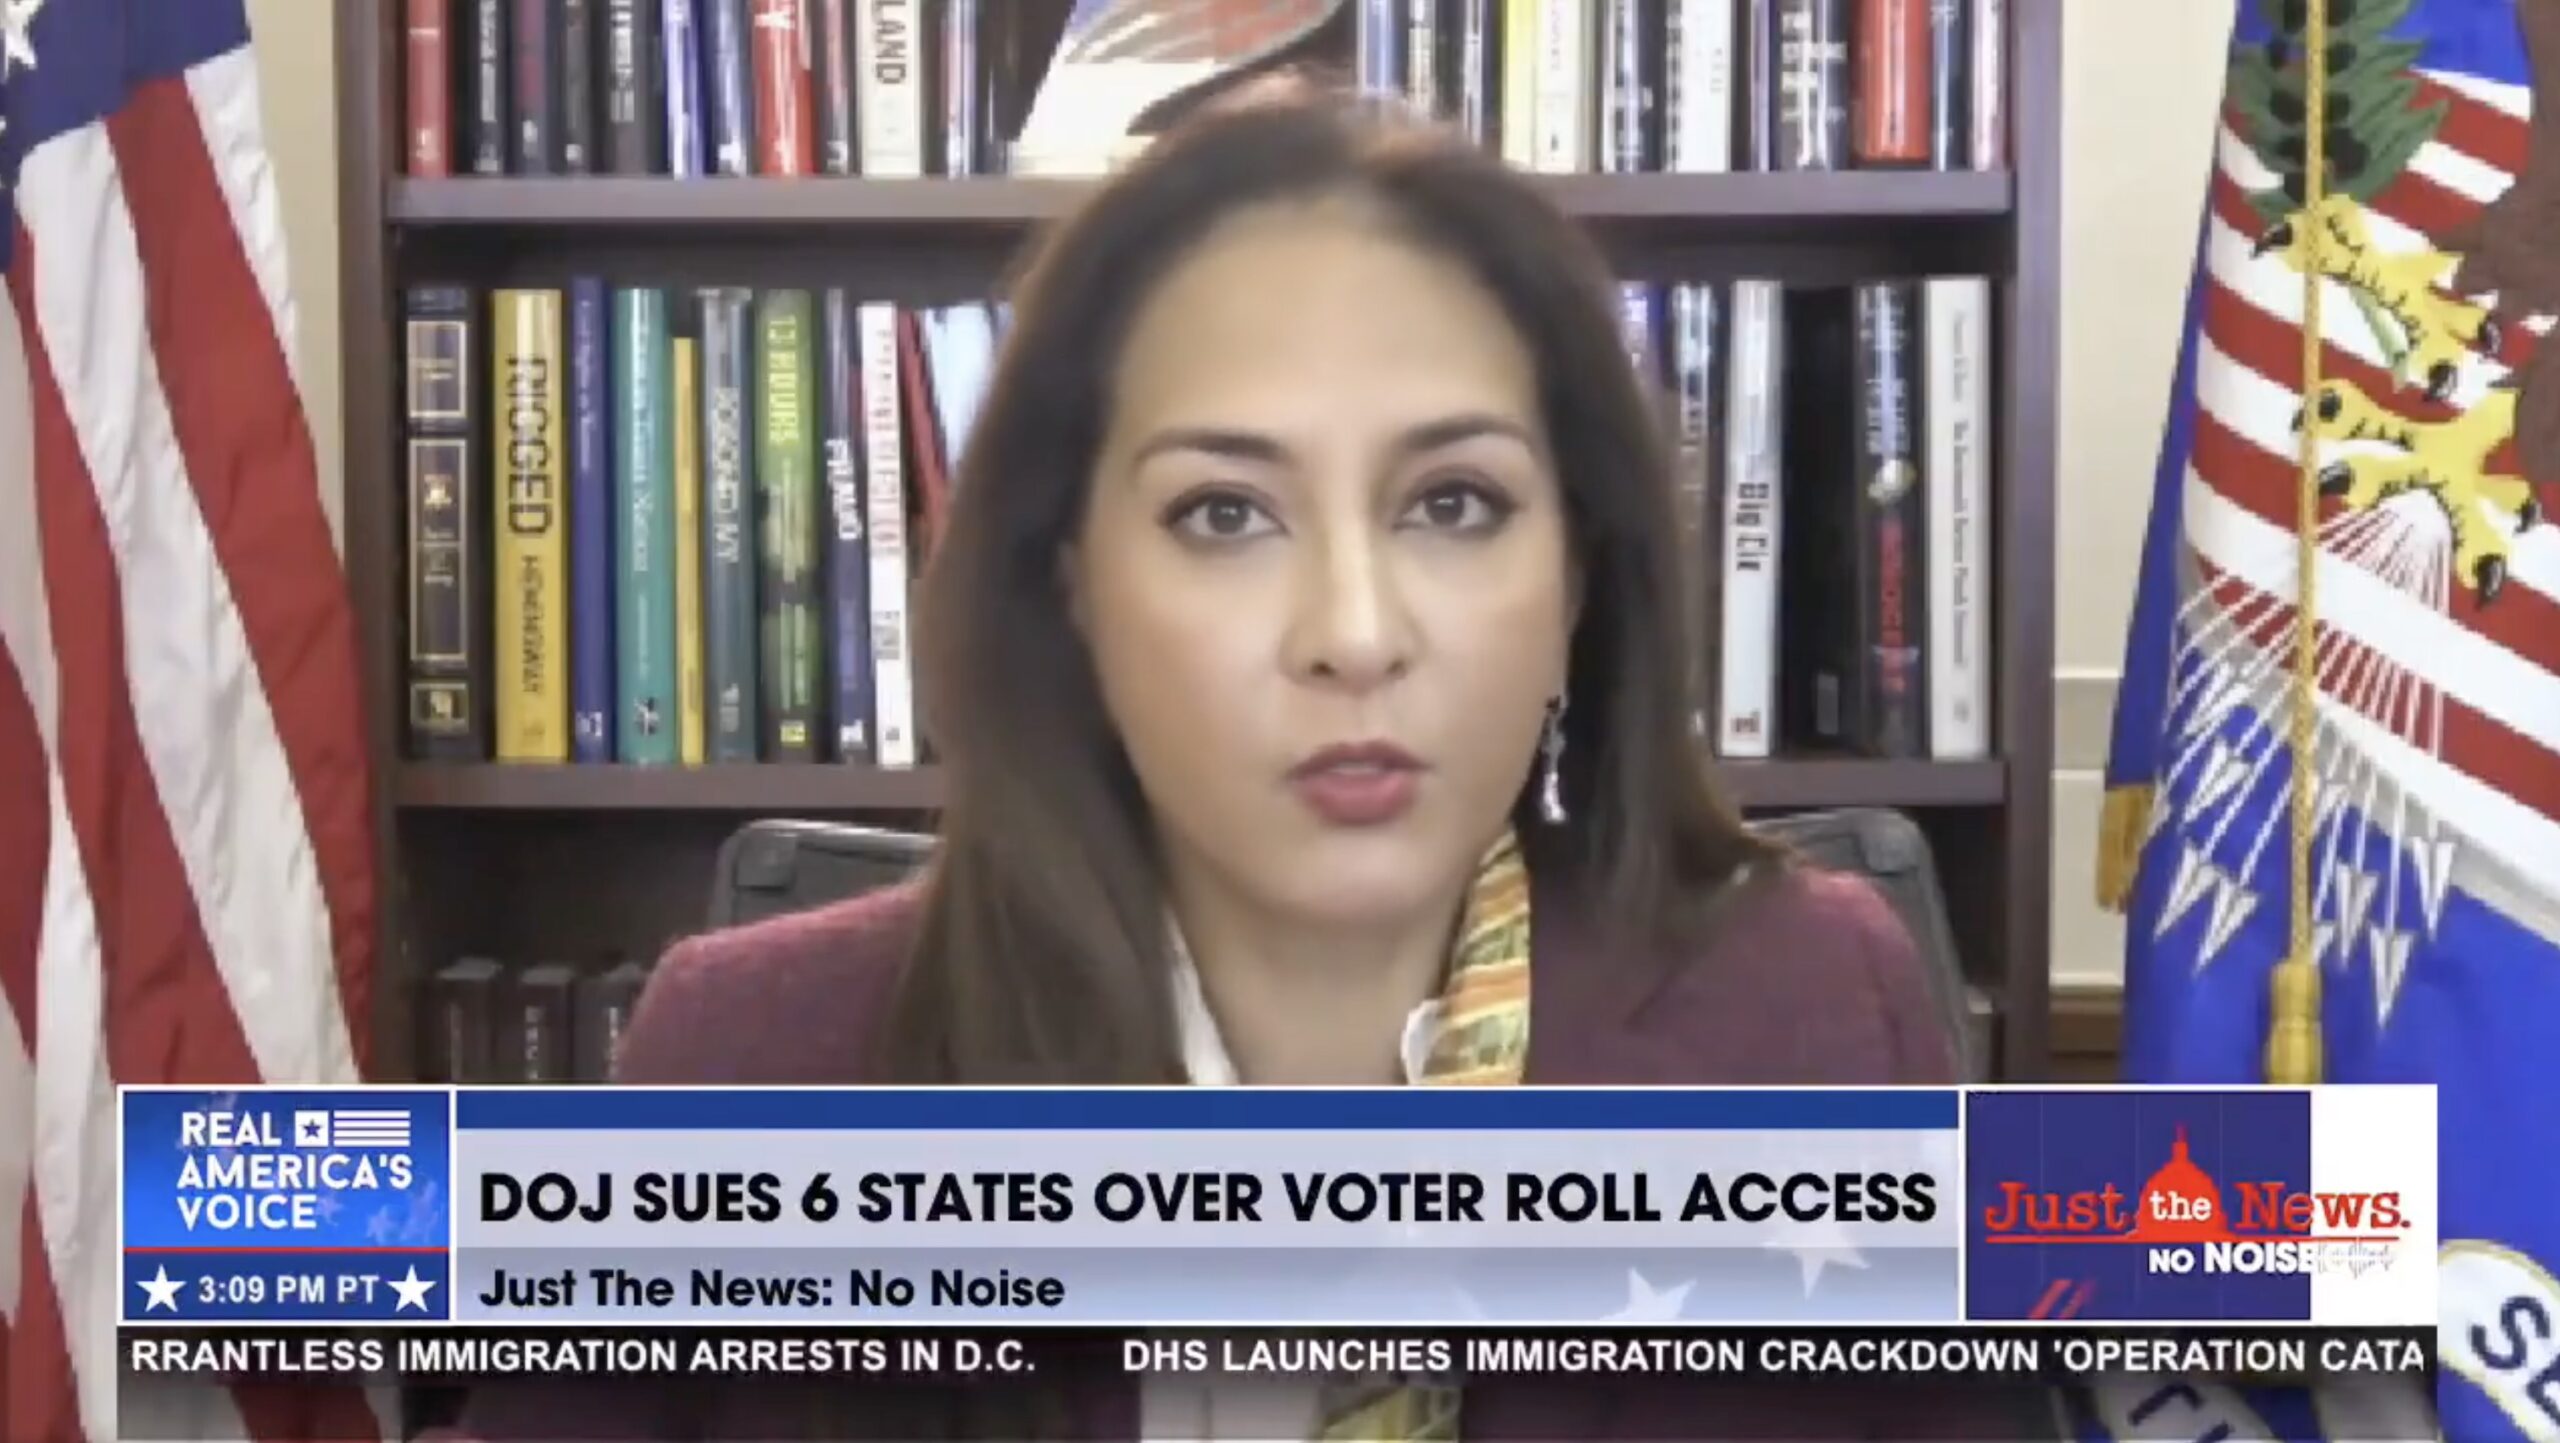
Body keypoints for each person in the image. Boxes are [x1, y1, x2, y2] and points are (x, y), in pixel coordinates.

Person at [446, 81, 2030, 1442]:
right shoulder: (743, 1071)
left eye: (1453, 503)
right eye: (1225, 513)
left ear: (1580, 585)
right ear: (1072, 587)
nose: (1353, 633)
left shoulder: (1820, 1022)